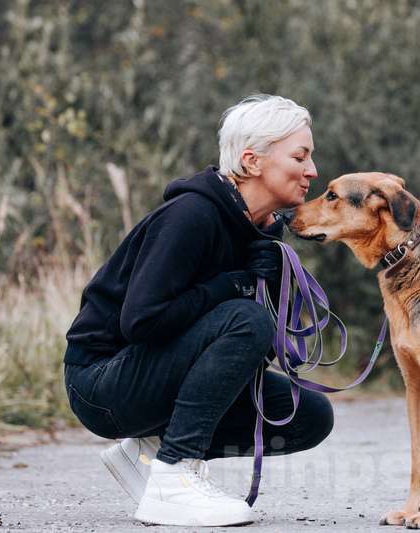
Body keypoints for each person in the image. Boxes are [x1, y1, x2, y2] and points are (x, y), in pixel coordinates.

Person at [63, 94, 332, 527]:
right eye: (300, 157)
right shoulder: (191, 215)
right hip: (100, 383)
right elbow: (142, 321)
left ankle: (150, 453)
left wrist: (267, 278)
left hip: (149, 376)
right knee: (246, 319)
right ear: (252, 161)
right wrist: (232, 286)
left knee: (309, 416)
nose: (312, 171)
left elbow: (252, 350)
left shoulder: (259, 233)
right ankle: (173, 478)